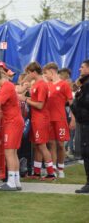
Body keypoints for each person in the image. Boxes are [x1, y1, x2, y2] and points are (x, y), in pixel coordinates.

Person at [20, 62, 56, 180]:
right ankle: (36, 172)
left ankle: (51, 173)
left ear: (34, 72)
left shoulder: (41, 85)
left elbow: (40, 105)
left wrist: (25, 99)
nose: (28, 75)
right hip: (36, 118)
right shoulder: (36, 84)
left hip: (41, 118)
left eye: (28, 73)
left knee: (42, 145)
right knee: (37, 145)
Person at [43, 62, 74, 178]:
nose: (45, 76)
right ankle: (53, 168)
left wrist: (73, 119)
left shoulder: (64, 85)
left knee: (61, 144)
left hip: (60, 119)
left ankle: (61, 168)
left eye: (46, 73)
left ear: (52, 71)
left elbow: (71, 103)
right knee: (51, 144)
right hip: (49, 119)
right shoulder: (47, 85)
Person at [71, 60, 89, 193]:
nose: (79, 69)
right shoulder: (84, 84)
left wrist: (74, 99)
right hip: (84, 121)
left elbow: (84, 104)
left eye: (82, 67)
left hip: (86, 123)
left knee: (87, 152)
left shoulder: (86, 86)